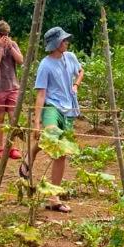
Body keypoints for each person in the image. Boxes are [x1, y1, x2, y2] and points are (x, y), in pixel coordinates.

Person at [20, 26, 83, 213]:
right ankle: (53, 196)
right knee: (52, 140)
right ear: (56, 44)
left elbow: (81, 71)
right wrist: (36, 122)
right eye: (64, 40)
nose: (67, 42)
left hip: (69, 109)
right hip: (51, 107)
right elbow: (41, 94)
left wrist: (76, 85)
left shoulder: (70, 57)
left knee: (60, 152)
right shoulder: (45, 65)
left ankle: (53, 196)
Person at [0, 20, 24, 159]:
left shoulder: (13, 45)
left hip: (13, 86)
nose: (5, 37)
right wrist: (1, 49)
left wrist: (11, 47)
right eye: (2, 34)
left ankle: (12, 147)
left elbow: (20, 60)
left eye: (7, 34)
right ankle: (1, 148)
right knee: (0, 117)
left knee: (13, 118)